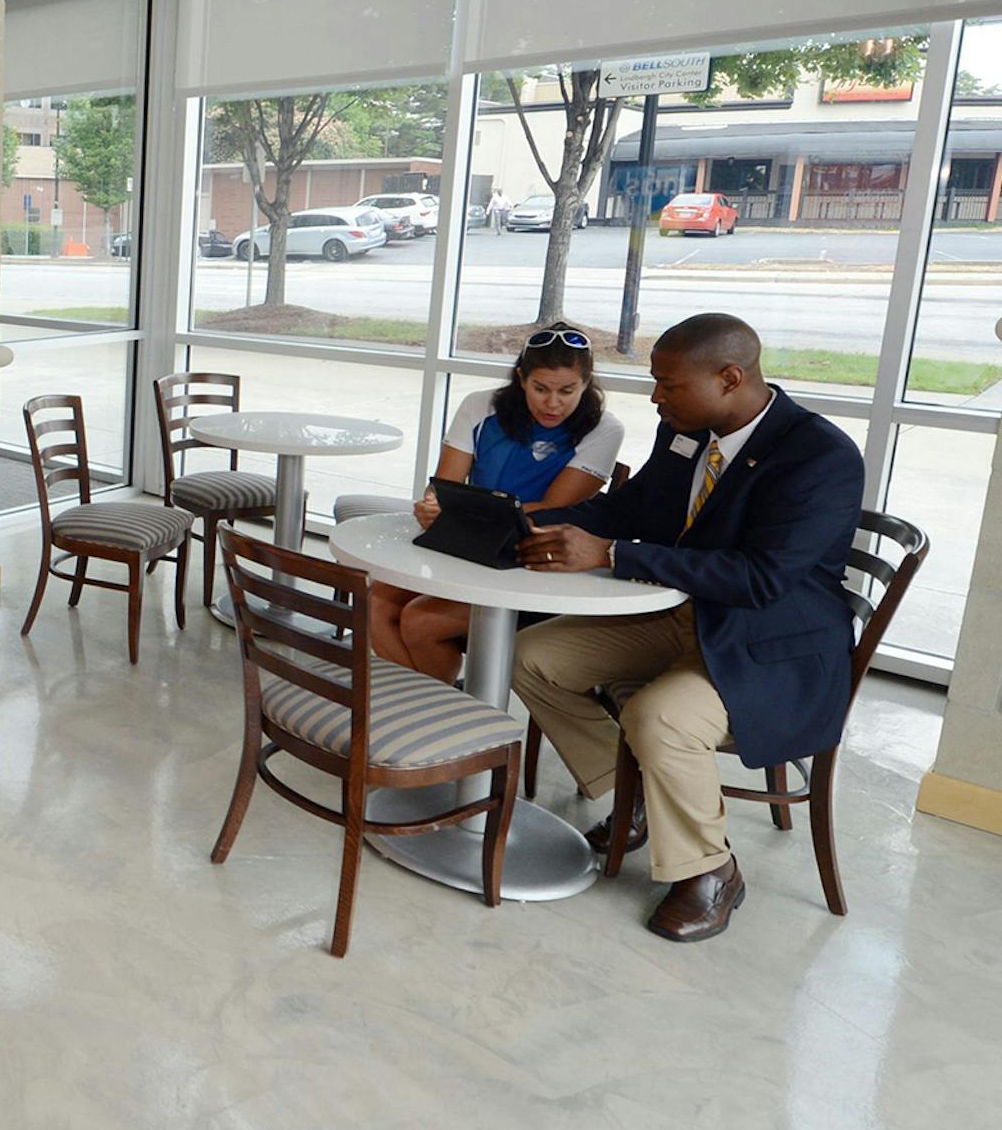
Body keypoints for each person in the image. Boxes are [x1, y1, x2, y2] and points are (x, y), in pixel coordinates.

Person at [513, 313, 862, 944]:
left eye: (668, 385)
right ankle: (636, 795)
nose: (655, 397)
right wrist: (526, 521)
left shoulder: (820, 456)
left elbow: (762, 577)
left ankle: (711, 870)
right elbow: (629, 507)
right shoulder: (686, 434)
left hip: (769, 641)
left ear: (729, 378)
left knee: (660, 717)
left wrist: (616, 555)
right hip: (685, 613)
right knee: (533, 654)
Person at [368, 325, 623, 683]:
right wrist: (432, 504)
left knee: (420, 620)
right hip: (466, 546)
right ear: (521, 378)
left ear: (587, 382)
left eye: (567, 391)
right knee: (376, 601)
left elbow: (553, 510)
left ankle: (433, 717)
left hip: (533, 561)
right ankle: (422, 712)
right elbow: (444, 486)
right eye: (541, 389)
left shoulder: (605, 428)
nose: (553, 403)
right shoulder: (479, 406)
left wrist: (459, 512)